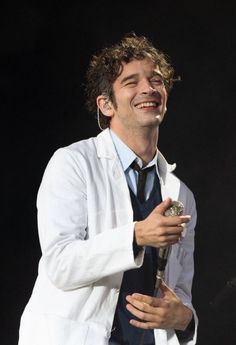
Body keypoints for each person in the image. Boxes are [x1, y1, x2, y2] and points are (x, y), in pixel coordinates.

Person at [18, 33, 198, 345]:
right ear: (106, 105)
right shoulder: (72, 163)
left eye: (156, 80)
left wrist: (185, 319)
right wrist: (137, 235)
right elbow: (60, 264)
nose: (148, 88)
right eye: (131, 82)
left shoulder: (181, 194)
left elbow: (178, 290)